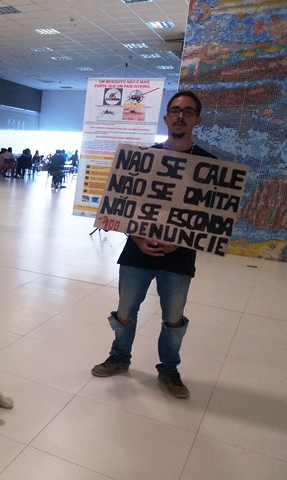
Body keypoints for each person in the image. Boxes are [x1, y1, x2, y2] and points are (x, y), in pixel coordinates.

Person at [91, 91, 218, 398]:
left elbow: (208, 217)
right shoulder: (144, 158)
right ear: (165, 118)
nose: (180, 116)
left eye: (187, 112)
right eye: (174, 110)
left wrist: (178, 243)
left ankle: (169, 370)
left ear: (197, 120)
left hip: (180, 258)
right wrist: (136, 236)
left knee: (173, 320)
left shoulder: (210, 166)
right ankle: (119, 357)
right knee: (125, 311)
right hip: (137, 252)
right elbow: (122, 206)